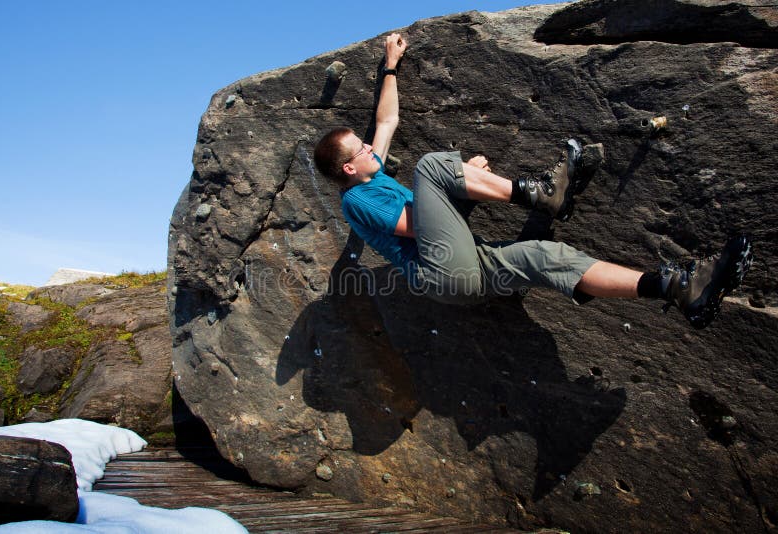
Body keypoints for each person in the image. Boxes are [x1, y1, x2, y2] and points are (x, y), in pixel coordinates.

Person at [313, 33, 753, 329]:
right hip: (438, 272)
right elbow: (416, 228)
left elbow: (386, 121)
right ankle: (543, 196)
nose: (371, 148)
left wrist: (391, 65)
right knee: (431, 166)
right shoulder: (357, 201)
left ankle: (677, 288)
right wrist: (456, 189)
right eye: (362, 150)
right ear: (349, 169)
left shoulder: (372, 169)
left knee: (547, 257)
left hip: (467, 271)